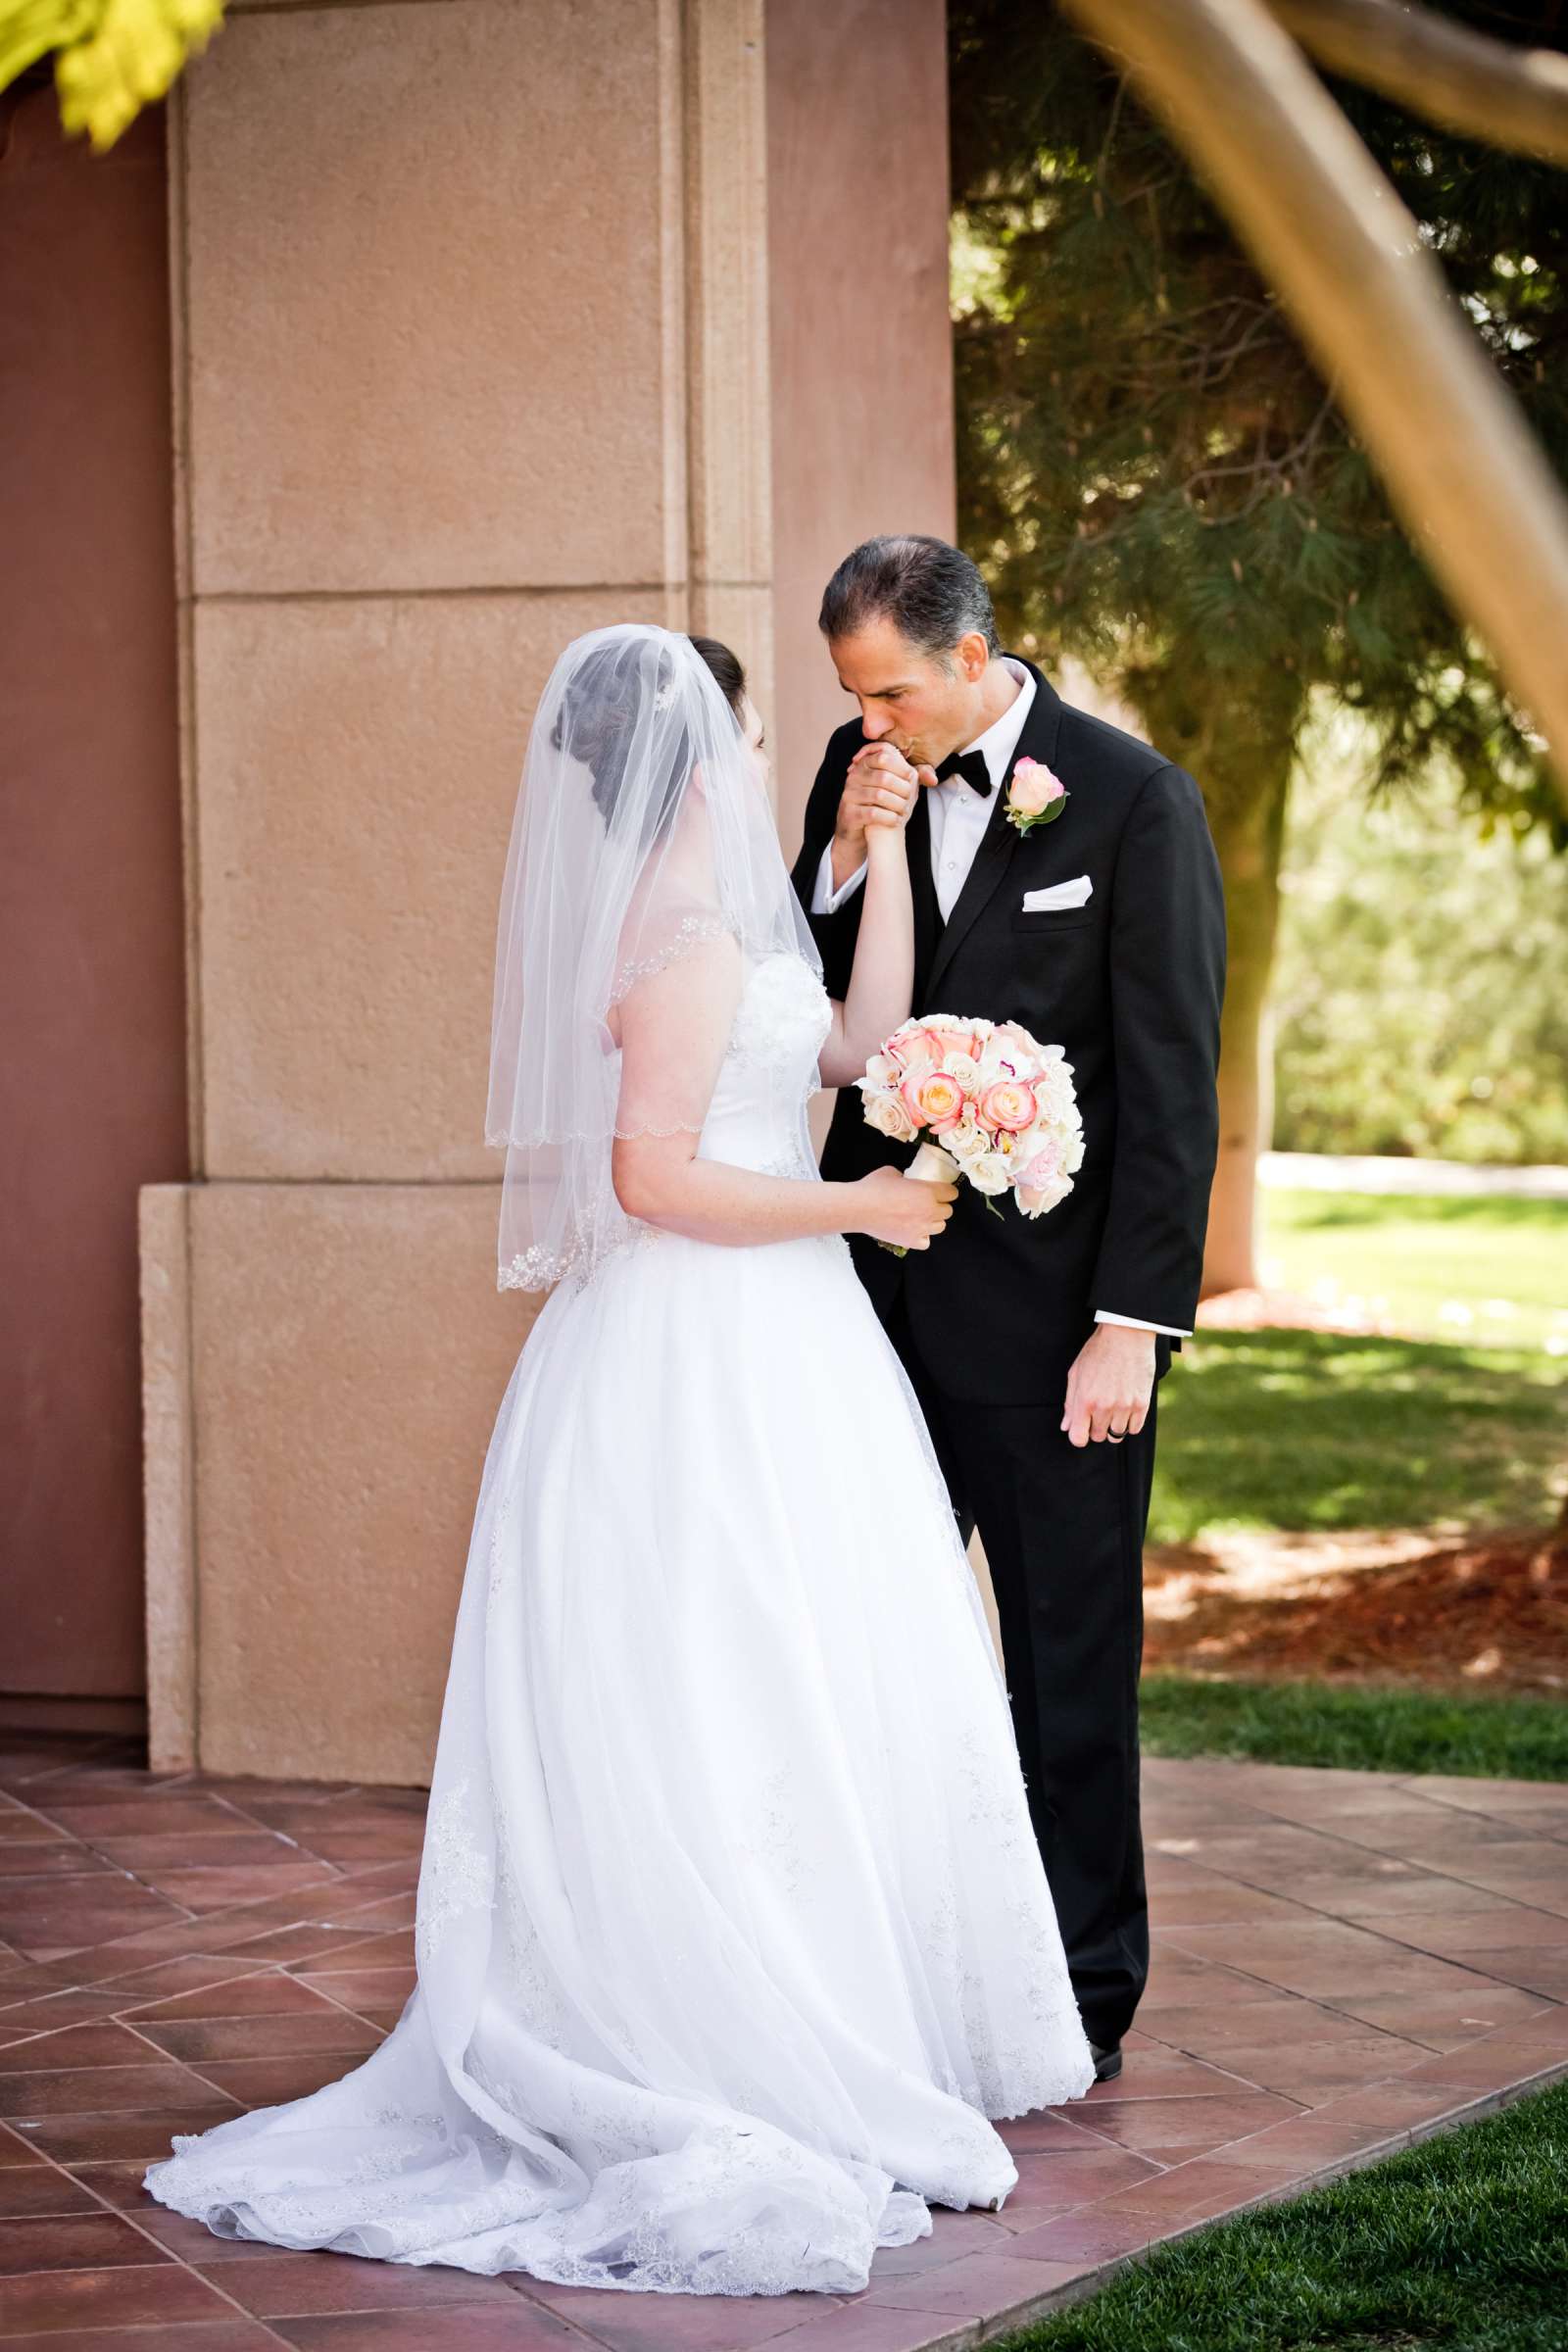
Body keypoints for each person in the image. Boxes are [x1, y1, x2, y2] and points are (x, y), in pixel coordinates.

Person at [142, 621, 1095, 2299]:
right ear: (695, 747)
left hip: (794, 1342)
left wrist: (869, 872)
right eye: (740, 730)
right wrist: (863, 1206)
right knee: (708, 1679)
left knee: (812, 1670)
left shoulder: (737, 914)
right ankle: (712, 2025)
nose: (757, 754)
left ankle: (832, 2000)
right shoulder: (667, 937)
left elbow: (857, 1054)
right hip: (690, 1349)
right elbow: (654, 1179)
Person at [792, 537, 1227, 2082]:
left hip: (1056, 1338)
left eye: (892, 690)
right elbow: (818, 1013)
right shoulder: (857, 782)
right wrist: (844, 857)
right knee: (886, 1660)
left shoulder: (1132, 800)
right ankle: (912, 1979)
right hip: (864, 1323)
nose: (873, 720)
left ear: (973, 657)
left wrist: (1134, 1323)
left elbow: (1172, 1094)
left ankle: (1081, 2001)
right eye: (851, 694)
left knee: (1065, 1665)